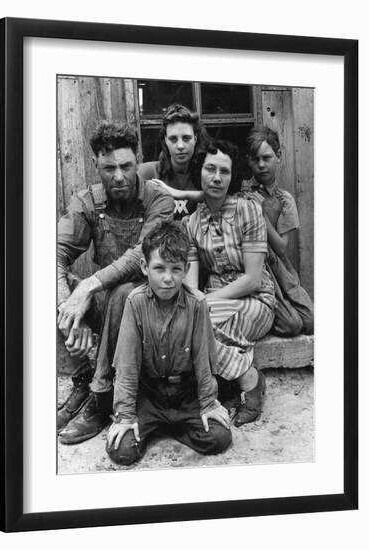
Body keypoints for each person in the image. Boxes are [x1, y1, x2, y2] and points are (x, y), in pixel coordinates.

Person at [57, 121, 175, 444]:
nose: (119, 176)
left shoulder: (159, 201)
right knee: (52, 284)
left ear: (137, 161)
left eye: (125, 166)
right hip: (105, 304)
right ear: (96, 164)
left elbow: (142, 255)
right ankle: (82, 378)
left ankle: (101, 398)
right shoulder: (87, 202)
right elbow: (53, 252)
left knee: (126, 291)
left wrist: (89, 285)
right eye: (109, 168)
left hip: (150, 311)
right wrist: (71, 308)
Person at [107, 221, 232, 465]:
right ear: (144, 267)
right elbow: (127, 365)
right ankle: (159, 423)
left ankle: (170, 426)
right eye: (159, 268)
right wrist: (124, 415)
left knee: (218, 437)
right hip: (150, 394)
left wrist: (207, 405)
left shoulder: (197, 303)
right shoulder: (135, 302)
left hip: (186, 395)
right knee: (122, 451)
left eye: (176, 269)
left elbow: (203, 359)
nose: (168, 279)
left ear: (185, 269)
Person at [182, 140, 276, 426]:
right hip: (212, 297)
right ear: (200, 171)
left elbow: (252, 278)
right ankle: (242, 378)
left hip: (256, 298)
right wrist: (197, 301)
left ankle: (247, 385)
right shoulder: (190, 224)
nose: (217, 177)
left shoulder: (248, 210)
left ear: (232, 176)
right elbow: (191, 284)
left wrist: (205, 302)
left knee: (212, 328)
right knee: (192, 323)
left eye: (224, 171)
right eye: (210, 169)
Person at [241, 126, 314, 336]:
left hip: (279, 267)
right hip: (255, 265)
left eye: (267, 157)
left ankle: (281, 307)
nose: (262, 165)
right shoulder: (243, 192)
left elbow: (282, 248)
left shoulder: (285, 200)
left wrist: (261, 214)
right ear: (249, 161)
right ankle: (266, 314)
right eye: (256, 159)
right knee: (293, 325)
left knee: (310, 322)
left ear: (278, 156)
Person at [138, 103, 209, 220]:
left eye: (186, 138)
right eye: (173, 139)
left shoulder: (206, 173)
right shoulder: (148, 173)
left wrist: (176, 193)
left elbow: (225, 198)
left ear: (195, 138)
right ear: (165, 140)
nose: (180, 146)